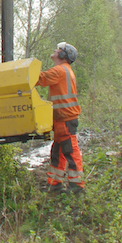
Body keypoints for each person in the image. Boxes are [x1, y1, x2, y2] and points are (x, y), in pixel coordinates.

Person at [36, 42, 85, 194]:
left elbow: (40, 79)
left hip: (65, 118)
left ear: (63, 55)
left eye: (58, 50)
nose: (55, 51)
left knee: (70, 151)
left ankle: (76, 186)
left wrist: (20, 73)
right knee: (59, 152)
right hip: (62, 119)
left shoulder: (60, 70)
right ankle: (55, 183)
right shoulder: (65, 70)